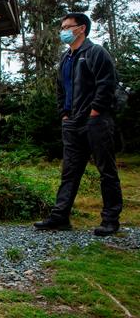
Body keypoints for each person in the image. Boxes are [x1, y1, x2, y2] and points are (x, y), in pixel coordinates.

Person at [34, 13, 123, 236]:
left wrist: (95, 111)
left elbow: (107, 84)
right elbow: (60, 89)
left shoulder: (96, 53)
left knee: (107, 170)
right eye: (61, 27)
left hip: (96, 121)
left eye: (67, 26)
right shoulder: (65, 59)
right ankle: (60, 216)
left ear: (81, 28)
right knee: (70, 172)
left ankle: (110, 220)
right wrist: (64, 114)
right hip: (71, 123)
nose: (62, 31)